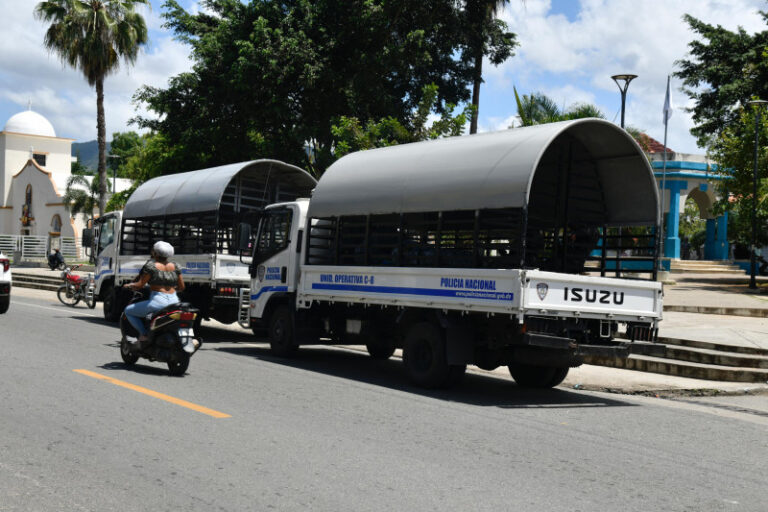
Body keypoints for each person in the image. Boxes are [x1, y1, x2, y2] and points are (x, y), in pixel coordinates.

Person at [123, 241, 185, 344]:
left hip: (158, 302)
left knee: (128, 311)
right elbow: (182, 287)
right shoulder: (175, 266)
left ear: (156, 253)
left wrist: (128, 285)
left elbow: (139, 285)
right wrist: (170, 289)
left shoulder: (151, 266)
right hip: (174, 301)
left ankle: (144, 334)